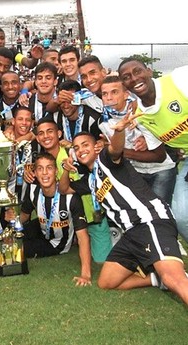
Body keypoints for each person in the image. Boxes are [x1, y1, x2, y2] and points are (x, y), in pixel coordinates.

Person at [60, 116, 188, 305]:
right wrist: (65, 169)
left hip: (148, 220)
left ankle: (169, 275)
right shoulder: (90, 179)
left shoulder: (105, 159)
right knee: (106, 282)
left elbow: (116, 149)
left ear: (96, 146)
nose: (81, 150)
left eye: (85, 144)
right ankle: (156, 279)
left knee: (173, 279)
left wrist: (119, 131)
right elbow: (64, 189)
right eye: (76, 148)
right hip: (131, 232)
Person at [117, 58, 188, 243]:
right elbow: (158, 154)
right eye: (126, 77)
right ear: (124, 85)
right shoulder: (140, 117)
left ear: (149, 71)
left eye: (138, 71)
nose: (134, 78)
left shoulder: (179, 79)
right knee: (180, 217)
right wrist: (117, 151)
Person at [29, 116, 112, 263]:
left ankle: (114, 233)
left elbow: (95, 168)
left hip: (91, 213)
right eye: (41, 133)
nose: (45, 136)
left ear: (59, 134)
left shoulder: (73, 153)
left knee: (101, 260)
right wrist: (26, 171)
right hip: (64, 216)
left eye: (50, 131)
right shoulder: (43, 160)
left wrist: (100, 146)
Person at [99, 75, 177, 205]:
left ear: (126, 94)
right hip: (136, 172)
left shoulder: (140, 112)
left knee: (162, 213)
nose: (109, 98)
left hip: (161, 170)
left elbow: (159, 156)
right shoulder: (105, 122)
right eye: (104, 94)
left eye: (114, 92)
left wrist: (118, 151)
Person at [18, 153, 92, 285]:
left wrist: (85, 274)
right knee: (15, 237)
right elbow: (24, 216)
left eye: (49, 168)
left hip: (57, 243)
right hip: (42, 228)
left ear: (56, 171)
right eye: (40, 169)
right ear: (35, 172)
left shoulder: (71, 197)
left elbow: (83, 236)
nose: (45, 173)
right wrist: (12, 224)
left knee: (21, 249)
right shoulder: (33, 190)